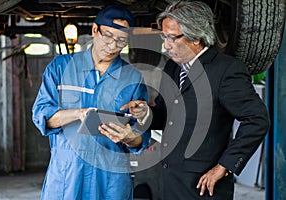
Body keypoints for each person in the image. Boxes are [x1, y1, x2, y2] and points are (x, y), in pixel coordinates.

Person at [120, 1, 270, 199]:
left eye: (172, 38)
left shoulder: (226, 70)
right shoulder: (172, 68)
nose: (166, 46)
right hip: (171, 182)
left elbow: (257, 119)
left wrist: (224, 166)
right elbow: (165, 115)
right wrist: (146, 113)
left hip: (204, 188)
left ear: (196, 37)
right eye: (164, 37)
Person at [32, 5, 150, 200]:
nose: (113, 45)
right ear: (95, 30)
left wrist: (132, 134)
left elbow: (140, 139)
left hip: (111, 179)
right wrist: (78, 114)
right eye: (108, 36)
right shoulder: (61, 68)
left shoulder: (132, 78)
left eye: (121, 40)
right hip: (67, 176)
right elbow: (42, 117)